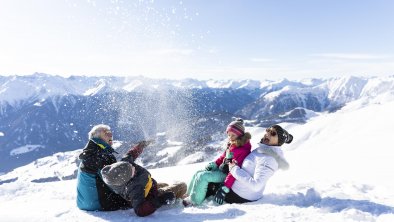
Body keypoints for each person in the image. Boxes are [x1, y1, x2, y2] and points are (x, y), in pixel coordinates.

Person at [100, 140, 187, 217]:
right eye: (131, 170)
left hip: (149, 187)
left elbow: (131, 154)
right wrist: (160, 200)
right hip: (149, 197)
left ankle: (171, 194)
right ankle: (180, 200)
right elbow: (141, 211)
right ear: (128, 178)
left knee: (165, 184)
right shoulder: (135, 188)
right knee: (182, 186)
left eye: (130, 165)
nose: (133, 166)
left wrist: (142, 145)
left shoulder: (124, 165)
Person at [184, 118, 252, 206]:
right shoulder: (233, 144)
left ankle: (194, 201)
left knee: (203, 176)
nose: (230, 138)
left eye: (233, 135)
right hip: (222, 169)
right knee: (198, 173)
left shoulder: (242, 150)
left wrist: (225, 187)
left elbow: (235, 171)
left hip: (227, 175)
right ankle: (188, 195)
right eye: (229, 135)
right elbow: (223, 156)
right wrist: (215, 164)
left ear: (240, 135)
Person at [224, 124, 293, 204]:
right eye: (268, 130)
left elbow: (256, 185)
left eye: (273, 133)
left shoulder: (269, 159)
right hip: (239, 191)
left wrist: (234, 169)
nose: (267, 134)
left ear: (279, 142)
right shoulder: (264, 150)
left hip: (240, 196)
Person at [76, 124, 132, 211]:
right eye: (106, 133)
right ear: (97, 137)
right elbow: (114, 183)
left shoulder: (90, 152)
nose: (110, 134)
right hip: (98, 203)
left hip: (83, 203)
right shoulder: (101, 155)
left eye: (110, 132)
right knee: (139, 195)